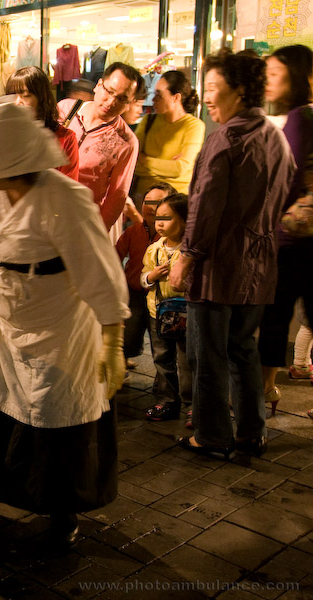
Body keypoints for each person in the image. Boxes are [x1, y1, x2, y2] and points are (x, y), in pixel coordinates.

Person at [0, 98, 129, 547]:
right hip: (2, 310)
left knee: (53, 408)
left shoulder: (66, 199)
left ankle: (61, 510)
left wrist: (113, 341)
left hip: (59, 320)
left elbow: (101, 273)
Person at [170, 50, 294, 459]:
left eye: (211, 88)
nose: (205, 97)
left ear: (238, 90)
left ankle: (211, 435)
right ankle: (252, 432)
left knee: (209, 355)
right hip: (259, 265)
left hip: (219, 266)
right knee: (244, 351)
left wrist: (186, 256)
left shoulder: (226, 138)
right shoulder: (275, 135)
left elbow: (205, 205)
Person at [257, 44, 313, 416]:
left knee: (274, 319)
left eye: (275, 74)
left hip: (293, 239)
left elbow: (285, 180)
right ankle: (265, 391)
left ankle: (264, 392)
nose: (267, 81)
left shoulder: (299, 118)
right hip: (301, 239)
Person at [58, 63, 143, 238]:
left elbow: (117, 196)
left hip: (79, 225)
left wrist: (97, 234)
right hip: (42, 210)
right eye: (109, 91)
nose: (111, 102)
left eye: (121, 98)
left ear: (129, 104)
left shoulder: (126, 141)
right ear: (98, 85)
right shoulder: (65, 110)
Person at [141, 194, 192, 421]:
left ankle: (193, 404)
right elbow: (143, 277)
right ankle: (167, 402)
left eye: (167, 218)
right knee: (162, 358)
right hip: (158, 313)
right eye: (157, 218)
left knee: (188, 360)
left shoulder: (191, 251)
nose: (159, 223)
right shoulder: (154, 249)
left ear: (184, 220)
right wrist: (151, 276)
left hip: (186, 315)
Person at [116, 182, 176, 369]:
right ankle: (122, 366)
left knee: (162, 344)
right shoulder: (134, 231)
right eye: (147, 201)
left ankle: (164, 384)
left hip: (160, 296)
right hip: (134, 291)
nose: (150, 207)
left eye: (157, 203)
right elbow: (116, 255)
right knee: (129, 335)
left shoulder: (173, 236)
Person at [132, 71, 205, 199]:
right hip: (144, 199)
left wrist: (144, 159)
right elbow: (132, 162)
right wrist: (166, 166)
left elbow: (179, 169)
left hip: (175, 201)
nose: (153, 100)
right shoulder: (149, 121)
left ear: (176, 97)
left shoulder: (193, 126)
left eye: (159, 95)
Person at [6, 65, 79, 180]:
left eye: (25, 96)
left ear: (41, 98)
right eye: (12, 96)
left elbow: (68, 189)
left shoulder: (65, 138)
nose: (17, 102)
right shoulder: (3, 135)